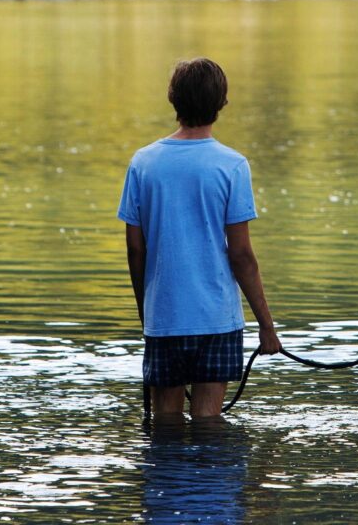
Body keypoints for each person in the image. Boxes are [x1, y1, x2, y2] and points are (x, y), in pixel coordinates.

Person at [119, 57, 282, 419]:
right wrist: (266, 327)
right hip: (217, 319)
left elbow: (135, 248)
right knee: (209, 422)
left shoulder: (143, 163)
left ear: (173, 100)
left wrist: (148, 311)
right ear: (221, 103)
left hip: (165, 316)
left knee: (165, 423)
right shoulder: (232, 165)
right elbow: (241, 255)